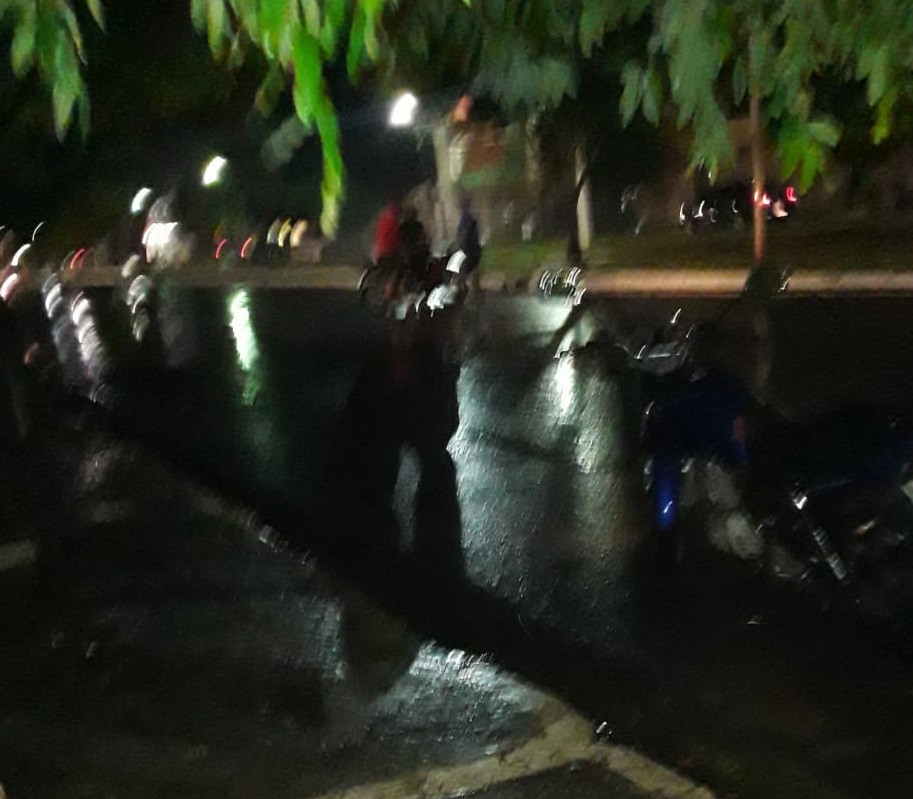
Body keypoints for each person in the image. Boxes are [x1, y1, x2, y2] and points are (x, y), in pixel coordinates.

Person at [398, 204, 429, 289]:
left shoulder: (401, 227)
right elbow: (423, 238)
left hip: (406, 255)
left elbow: (400, 242)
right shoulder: (418, 225)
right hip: (417, 254)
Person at [455, 196, 482, 292]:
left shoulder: (466, 216)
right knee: (470, 267)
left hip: (470, 246)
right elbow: (465, 232)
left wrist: (461, 244)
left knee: (469, 267)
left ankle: (464, 284)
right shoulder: (467, 216)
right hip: (471, 247)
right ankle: (465, 284)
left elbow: (464, 232)